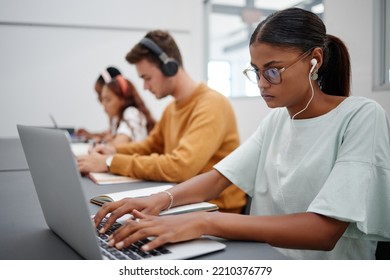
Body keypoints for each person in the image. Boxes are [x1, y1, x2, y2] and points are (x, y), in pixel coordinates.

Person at [91, 8, 390, 260]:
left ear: (315, 61)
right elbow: (219, 178)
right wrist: (160, 199)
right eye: (256, 71)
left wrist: (204, 221)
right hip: (263, 258)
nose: (261, 83)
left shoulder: (361, 116)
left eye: (273, 71)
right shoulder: (276, 122)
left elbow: (323, 232)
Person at [77, 30, 247, 213]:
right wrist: (113, 150)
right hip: (186, 201)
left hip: (217, 209)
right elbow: (149, 146)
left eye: (147, 78)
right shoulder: (172, 108)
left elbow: (180, 167)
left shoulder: (211, 104)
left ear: (170, 67)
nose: (144, 86)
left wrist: (111, 162)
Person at [100, 75, 156, 145]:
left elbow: (118, 145)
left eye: (108, 100)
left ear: (123, 100)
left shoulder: (131, 113)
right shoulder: (117, 119)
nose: (103, 104)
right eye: (102, 100)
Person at [76, 66, 122, 142]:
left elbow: (115, 140)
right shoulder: (115, 118)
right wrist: (90, 135)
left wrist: (100, 140)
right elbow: (109, 134)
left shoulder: (129, 115)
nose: (99, 99)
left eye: (100, 94)